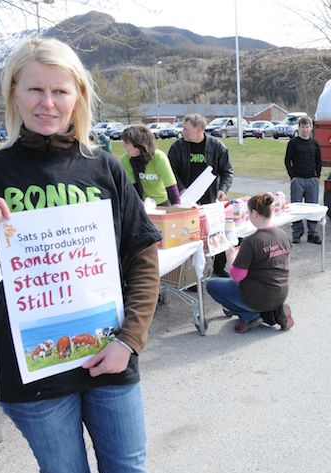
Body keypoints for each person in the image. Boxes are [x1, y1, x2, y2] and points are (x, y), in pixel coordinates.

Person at [0, 38, 161, 473]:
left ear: (78, 97)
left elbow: (142, 257)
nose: (47, 103)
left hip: (110, 353)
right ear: (14, 93)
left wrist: (130, 340)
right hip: (34, 370)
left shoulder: (104, 168)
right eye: (35, 89)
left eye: (60, 91)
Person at [206, 193, 294, 333]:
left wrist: (231, 257)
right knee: (257, 290)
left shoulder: (251, 241)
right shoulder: (283, 235)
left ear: (254, 213)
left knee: (212, 285)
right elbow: (283, 262)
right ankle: (274, 312)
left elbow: (236, 276)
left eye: (248, 212)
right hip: (281, 292)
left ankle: (249, 315)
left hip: (258, 295)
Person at [168, 113, 233, 277]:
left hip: (210, 198)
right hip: (186, 199)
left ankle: (219, 267)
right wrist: (180, 189)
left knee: (215, 232)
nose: (183, 131)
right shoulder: (177, 147)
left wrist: (223, 189)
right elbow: (170, 171)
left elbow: (227, 171)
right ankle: (189, 275)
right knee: (187, 236)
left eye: (186, 129)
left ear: (199, 130)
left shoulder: (216, 146)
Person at [120, 124, 181, 207]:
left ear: (138, 146)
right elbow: (133, 188)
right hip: (142, 203)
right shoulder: (126, 160)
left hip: (163, 201)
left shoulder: (159, 157)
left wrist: (176, 204)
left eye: (126, 143)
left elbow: (170, 184)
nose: (124, 146)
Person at [284, 115, 322, 244]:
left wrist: (317, 176)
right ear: (299, 128)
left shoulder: (315, 143)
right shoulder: (293, 143)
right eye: (302, 127)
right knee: (296, 208)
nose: (305, 130)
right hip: (298, 180)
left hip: (312, 180)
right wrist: (292, 177)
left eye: (307, 127)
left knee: (312, 208)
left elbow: (318, 161)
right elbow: (287, 160)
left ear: (311, 128)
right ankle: (296, 234)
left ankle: (312, 234)